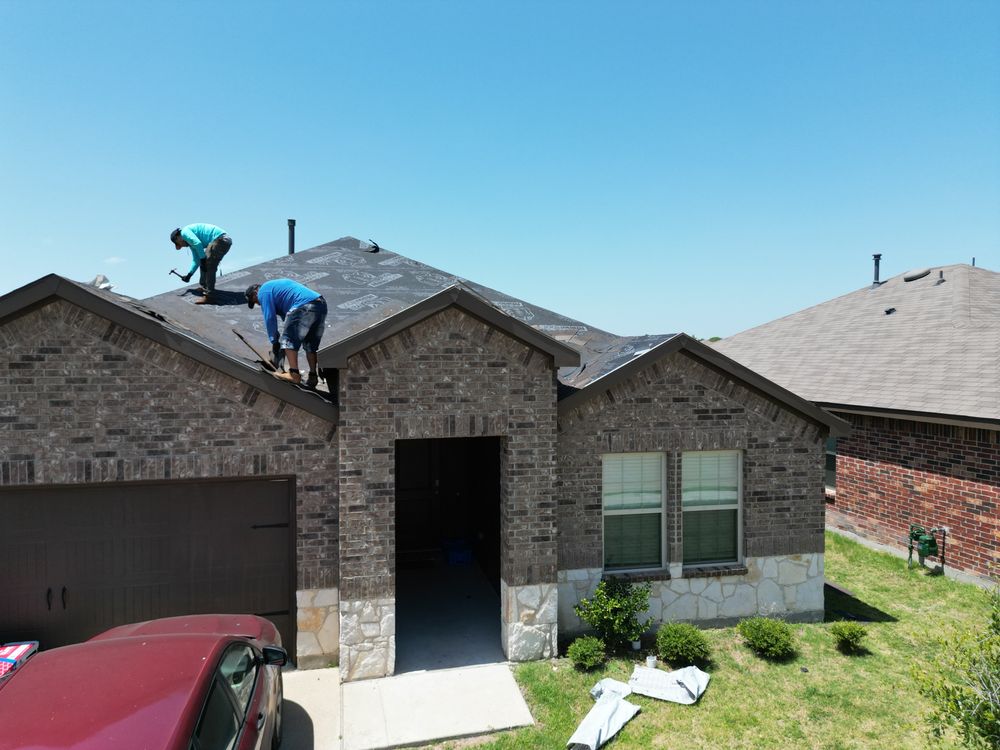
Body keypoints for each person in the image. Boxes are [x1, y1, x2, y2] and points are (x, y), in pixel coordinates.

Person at [245, 279, 327, 386]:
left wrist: (274, 341)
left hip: (303, 305)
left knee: (288, 340)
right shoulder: (275, 287)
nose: (258, 304)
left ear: (255, 292)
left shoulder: (263, 292)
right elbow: (287, 317)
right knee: (310, 344)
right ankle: (313, 376)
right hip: (320, 304)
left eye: (255, 301)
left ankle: (294, 374)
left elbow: (269, 318)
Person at [170, 223, 232, 304]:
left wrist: (203, 260)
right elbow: (196, 260)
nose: (181, 246)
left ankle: (209, 296)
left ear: (178, 238)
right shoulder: (191, 243)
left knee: (207, 264)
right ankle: (204, 287)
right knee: (203, 261)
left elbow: (198, 244)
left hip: (221, 239)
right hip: (220, 240)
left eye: (178, 243)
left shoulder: (184, 232)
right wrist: (189, 275)